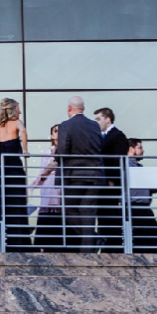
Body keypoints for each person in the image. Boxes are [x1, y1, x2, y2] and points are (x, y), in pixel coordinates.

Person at [54, 96, 102, 251]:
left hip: (74, 174)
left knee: (68, 208)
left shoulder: (66, 126)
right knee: (88, 212)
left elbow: (62, 151)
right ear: (83, 108)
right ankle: (87, 251)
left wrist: (55, 157)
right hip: (94, 174)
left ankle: (94, 238)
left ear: (69, 108)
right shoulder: (95, 125)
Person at [0, 98, 30, 251]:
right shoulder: (17, 122)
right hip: (14, 169)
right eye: (18, 108)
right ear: (13, 109)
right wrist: (25, 150)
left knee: (0, 203)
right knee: (17, 204)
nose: (20, 111)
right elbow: (24, 131)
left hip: (1, 170)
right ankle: (19, 241)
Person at [95, 108, 129, 252]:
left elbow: (117, 160)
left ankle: (112, 249)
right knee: (102, 216)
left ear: (107, 119)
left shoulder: (118, 136)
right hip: (102, 183)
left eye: (98, 119)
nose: (96, 122)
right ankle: (106, 246)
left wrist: (111, 179)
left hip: (110, 184)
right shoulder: (101, 136)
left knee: (110, 216)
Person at [30, 124, 64, 252]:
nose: (58, 134)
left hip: (60, 192)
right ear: (51, 135)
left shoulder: (67, 151)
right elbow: (42, 174)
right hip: (48, 190)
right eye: (55, 131)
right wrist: (50, 168)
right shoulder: (47, 152)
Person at [125, 139, 157, 254]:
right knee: (140, 239)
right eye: (139, 148)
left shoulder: (139, 167)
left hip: (143, 208)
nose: (143, 150)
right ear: (131, 149)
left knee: (150, 236)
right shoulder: (126, 166)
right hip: (133, 208)